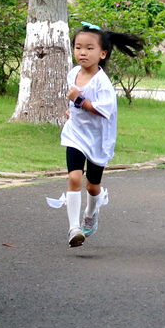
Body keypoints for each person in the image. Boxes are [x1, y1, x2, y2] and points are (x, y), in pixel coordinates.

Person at [47, 23, 143, 247]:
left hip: (98, 140)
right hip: (75, 135)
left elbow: (103, 110)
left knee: (92, 186)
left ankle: (91, 211)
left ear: (102, 54)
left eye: (90, 48)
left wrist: (78, 100)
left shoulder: (103, 84)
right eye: (78, 47)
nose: (83, 52)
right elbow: (76, 103)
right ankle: (74, 228)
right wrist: (72, 109)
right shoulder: (73, 74)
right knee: (74, 178)